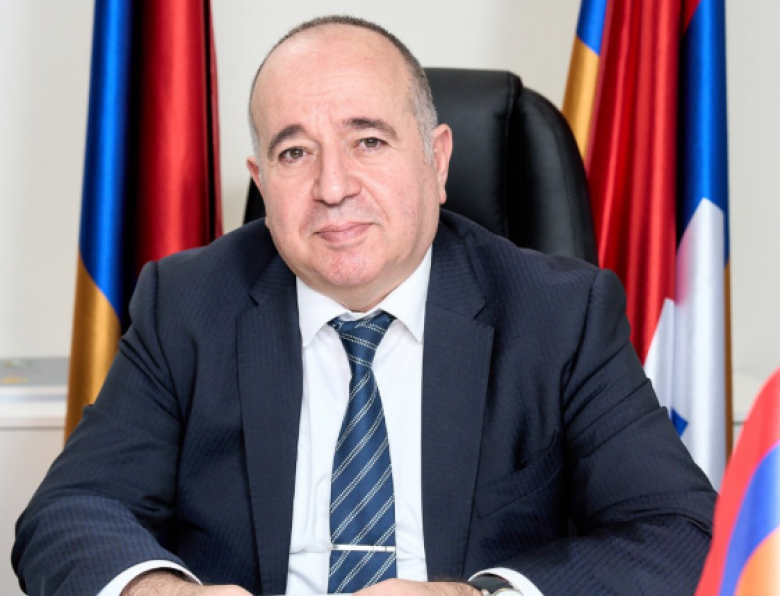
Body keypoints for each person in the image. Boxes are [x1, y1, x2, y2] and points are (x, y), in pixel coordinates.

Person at [13, 15, 716, 596]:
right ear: (262, 181)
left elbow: (679, 532)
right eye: (295, 153)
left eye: (369, 141)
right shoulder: (188, 304)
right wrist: (157, 591)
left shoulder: (559, 315)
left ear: (437, 161)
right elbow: (70, 511)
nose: (333, 186)